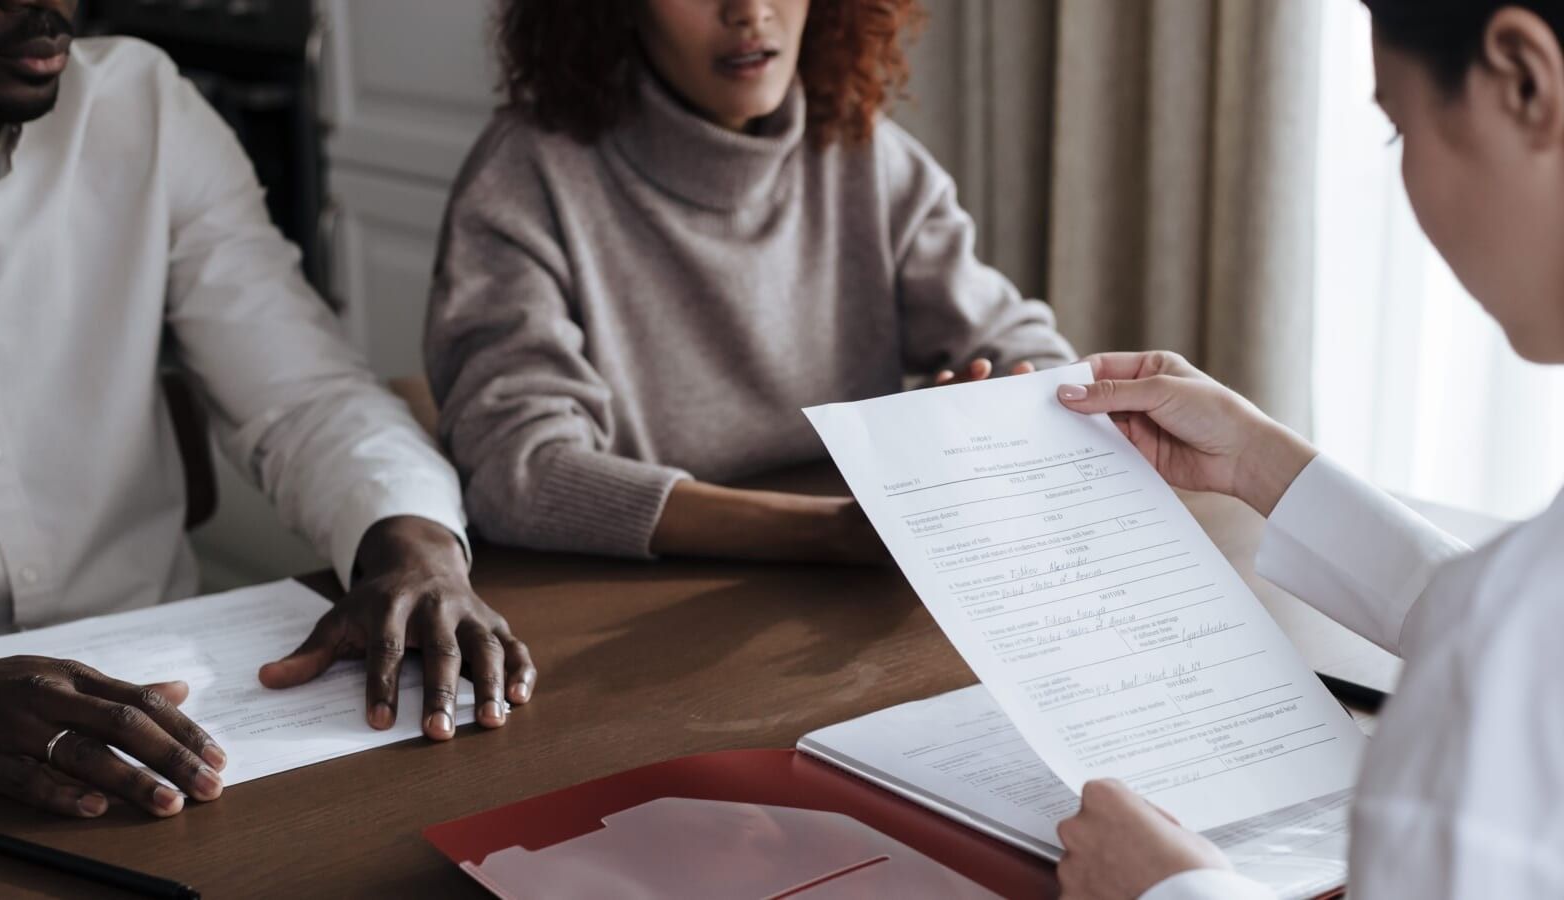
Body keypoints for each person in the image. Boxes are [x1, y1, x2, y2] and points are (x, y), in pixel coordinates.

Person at [0, 0, 535, 821]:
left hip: (167, 715)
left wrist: (414, 544)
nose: (51, 9)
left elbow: (302, 391)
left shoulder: (139, 105)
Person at [1050, 2, 1564, 896]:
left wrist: (1169, 887)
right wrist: (1256, 460)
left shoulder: (1505, 645)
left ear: (1525, 80)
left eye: (1399, 128)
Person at [424, 0, 1077, 565]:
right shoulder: (525, 177)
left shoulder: (864, 152)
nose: (748, 10)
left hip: (856, 593)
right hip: (634, 598)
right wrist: (827, 533)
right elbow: (519, 472)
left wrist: (994, 415)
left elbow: (1025, 349)